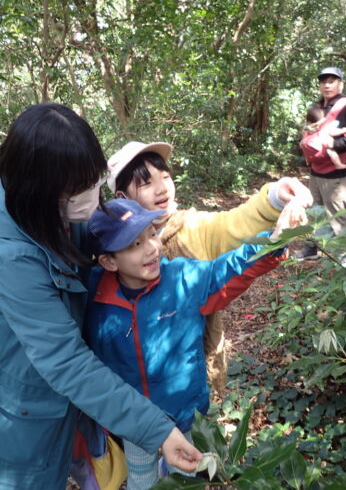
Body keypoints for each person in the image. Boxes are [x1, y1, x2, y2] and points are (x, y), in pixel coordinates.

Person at [0, 103, 201, 490]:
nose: (92, 198)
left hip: (69, 407)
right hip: (27, 417)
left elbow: (111, 237)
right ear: (41, 191)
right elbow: (65, 361)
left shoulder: (58, 211)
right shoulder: (12, 255)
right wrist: (157, 430)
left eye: (94, 181)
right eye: (78, 190)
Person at [84, 197, 303, 490]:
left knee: (184, 477)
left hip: (184, 413)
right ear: (108, 261)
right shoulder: (91, 295)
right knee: (141, 477)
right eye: (134, 244)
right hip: (134, 418)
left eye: (151, 234)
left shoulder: (182, 279)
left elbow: (229, 269)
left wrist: (274, 240)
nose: (151, 247)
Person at [106, 141, 313, 391]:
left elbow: (233, 223)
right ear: (122, 197)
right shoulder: (108, 247)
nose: (162, 189)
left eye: (165, 177)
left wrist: (275, 197)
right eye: (146, 183)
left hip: (192, 377)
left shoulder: (192, 227)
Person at [296, 66, 346, 261]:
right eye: (324, 81)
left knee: (337, 215)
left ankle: (344, 257)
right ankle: (312, 248)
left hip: (335, 174)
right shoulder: (319, 107)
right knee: (314, 211)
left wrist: (336, 144)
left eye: (332, 81)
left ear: (340, 83)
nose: (327, 85)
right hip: (316, 170)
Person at [301, 105, 346, 170]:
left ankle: (308, 161)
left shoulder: (306, 128)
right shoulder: (323, 127)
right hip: (318, 147)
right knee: (331, 150)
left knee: (305, 149)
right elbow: (332, 132)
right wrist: (343, 130)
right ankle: (338, 164)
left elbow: (304, 134)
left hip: (307, 147)